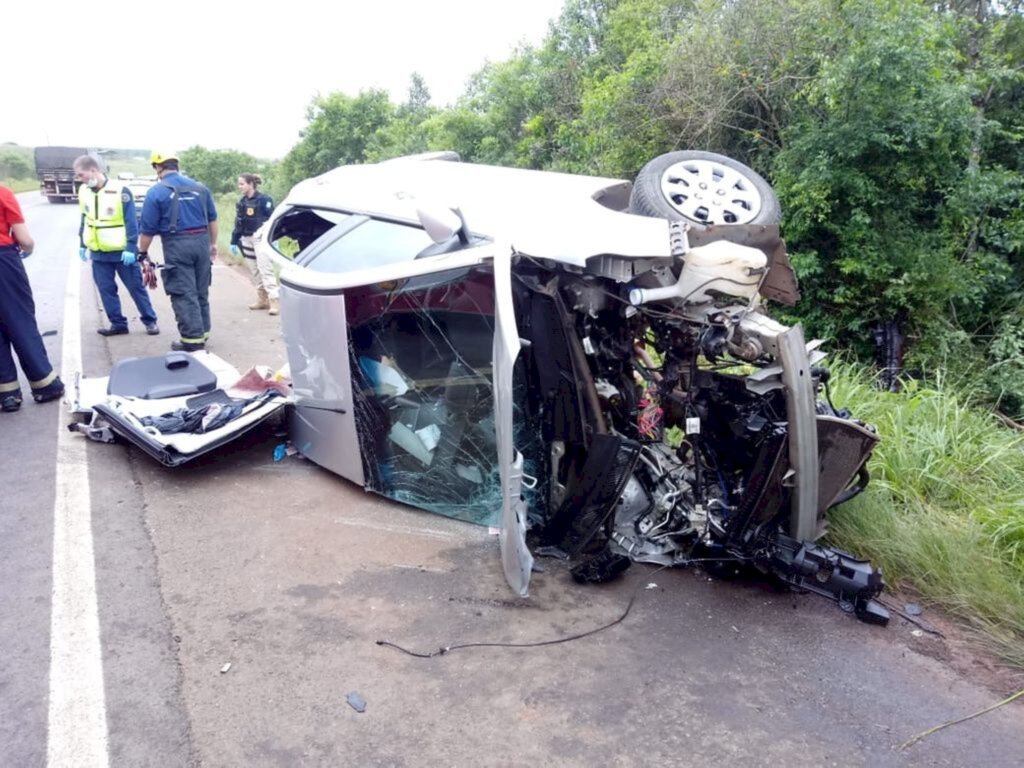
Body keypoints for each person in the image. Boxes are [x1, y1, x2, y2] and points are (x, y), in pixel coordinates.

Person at [138, 152, 219, 352]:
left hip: (177, 244)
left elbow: (147, 229)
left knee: (183, 292)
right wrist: (213, 244)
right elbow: (212, 219)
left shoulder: (156, 192)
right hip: (201, 242)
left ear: (158, 167)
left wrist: (142, 252)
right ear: (176, 165)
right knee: (201, 290)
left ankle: (192, 340)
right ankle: (203, 331)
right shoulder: (201, 188)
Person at [73, 155, 160, 337]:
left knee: (136, 288)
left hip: (122, 253)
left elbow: (132, 223)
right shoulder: (84, 191)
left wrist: (130, 247)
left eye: (81, 175)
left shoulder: (121, 191)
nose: (79, 179)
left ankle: (150, 321)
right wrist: (82, 243)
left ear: (93, 170)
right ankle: (118, 324)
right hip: (98, 253)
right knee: (106, 290)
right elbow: (85, 218)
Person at [0, 185, 65, 412]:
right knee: (20, 321)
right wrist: (27, 249)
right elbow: (24, 239)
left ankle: (7, 395)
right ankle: (45, 385)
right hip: (3, 263)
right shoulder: (3, 193)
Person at [229, 173, 277, 315]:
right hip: (246, 238)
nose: (240, 187)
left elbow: (272, 220)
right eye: (239, 184)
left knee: (265, 269)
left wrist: (273, 238)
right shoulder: (242, 202)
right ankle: (262, 300)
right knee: (255, 270)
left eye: (242, 184)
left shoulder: (264, 200)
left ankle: (274, 301)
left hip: (260, 238)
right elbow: (238, 222)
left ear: (251, 184)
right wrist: (233, 240)